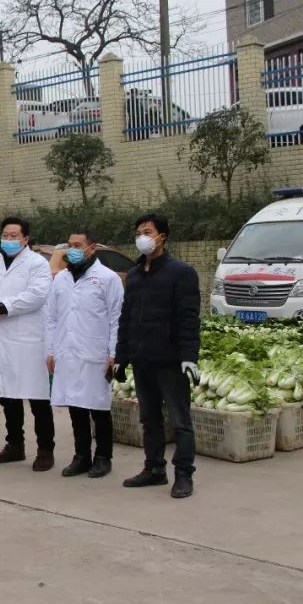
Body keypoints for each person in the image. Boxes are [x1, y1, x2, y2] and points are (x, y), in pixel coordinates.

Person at [114, 214, 201, 499]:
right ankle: (154, 469)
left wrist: (189, 356)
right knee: (149, 419)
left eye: (147, 232)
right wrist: (122, 356)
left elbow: (189, 319)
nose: (142, 237)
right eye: (138, 232)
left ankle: (184, 474)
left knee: (179, 421)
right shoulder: (135, 274)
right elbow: (126, 318)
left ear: (162, 236)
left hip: (170, 360)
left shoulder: (181, 273)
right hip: (143, 360)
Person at [0, 217, 55, 471]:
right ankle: (15, 445)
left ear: (25, 239)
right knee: (8, 397)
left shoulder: (37, 263)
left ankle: (45, 450)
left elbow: (37, 295)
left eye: (14, 236)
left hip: (29, 340)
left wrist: (1, 307)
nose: (8, 240)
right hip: (1, 339)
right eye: (5, 236)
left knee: (37, 399)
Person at [46, 229, 124, 479]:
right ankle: (81, 456)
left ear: (92, 248)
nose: (72, 250)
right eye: (70, 245)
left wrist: (114, 352)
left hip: (95, 354)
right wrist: (50, 350)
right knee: (75, 407)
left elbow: (117, 318)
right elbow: (51, 317)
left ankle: (103, 457)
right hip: (67, 352)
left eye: (78, 245)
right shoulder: (61, 279)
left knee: (98, 408)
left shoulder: (108, 278)